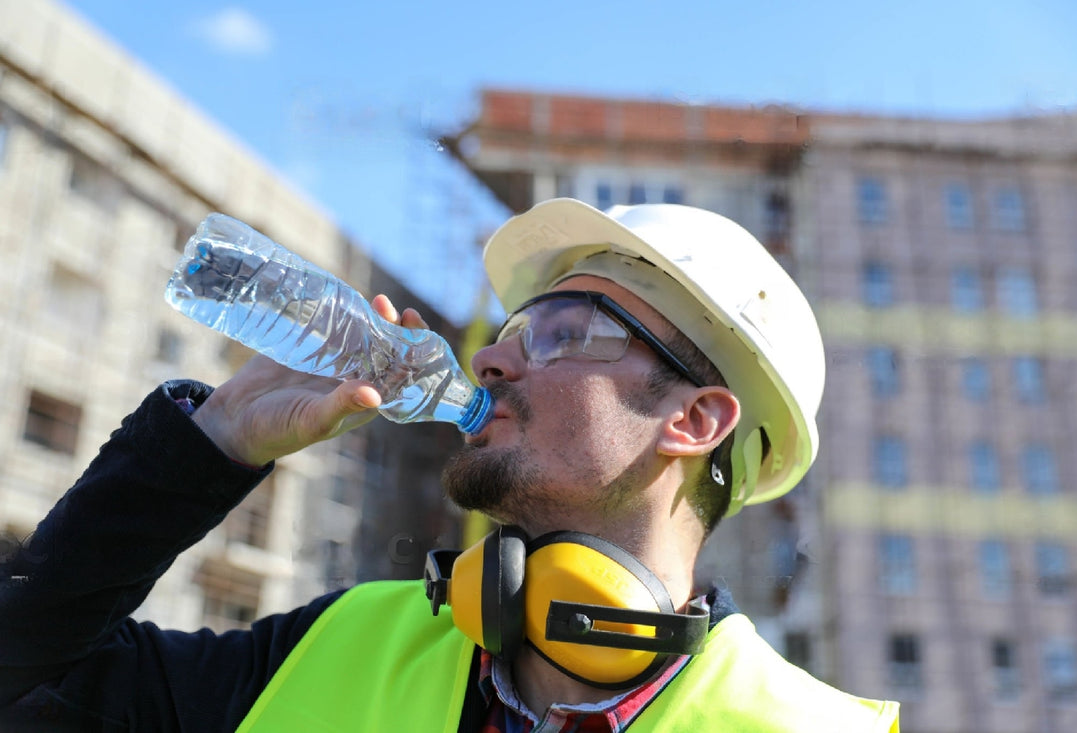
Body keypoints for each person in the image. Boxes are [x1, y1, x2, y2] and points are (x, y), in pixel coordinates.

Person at [0, 198, 900, 731]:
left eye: (563, 334)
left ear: (695, 417)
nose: (493, 360)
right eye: (511, 331)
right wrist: (211, 441)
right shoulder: (337, 644)